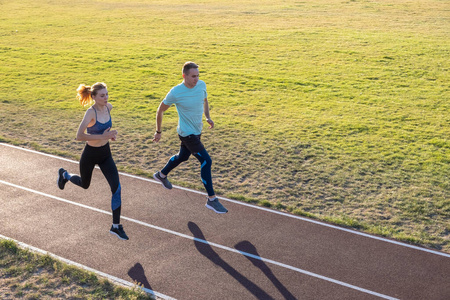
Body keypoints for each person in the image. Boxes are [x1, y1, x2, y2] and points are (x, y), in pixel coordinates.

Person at [152, 61, 228, 214]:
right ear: (184, 76)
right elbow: (160, 111)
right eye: (193, 76)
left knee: (183, 156)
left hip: (197, 130)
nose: (196, 79)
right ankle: (212, 199)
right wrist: (158, 131)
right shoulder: (176, 92)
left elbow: (205, 101)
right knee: (206, 160)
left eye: (198, 76)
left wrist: (207, 117)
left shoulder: (201, 85)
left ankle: (161, 175)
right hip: (187, 134)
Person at [57, 82, 129, 240]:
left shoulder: (109, 107)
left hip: (105, 154)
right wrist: (102, 136)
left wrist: (110, 135)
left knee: (116, 188)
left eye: (107, 94)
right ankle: (65, 175)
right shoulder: (91, 113)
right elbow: (79, 136)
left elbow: (105, 130)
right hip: (90, 154)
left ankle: (115, 226)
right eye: (102, 95)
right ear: (94, 97)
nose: (106, 98)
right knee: (85, 184)